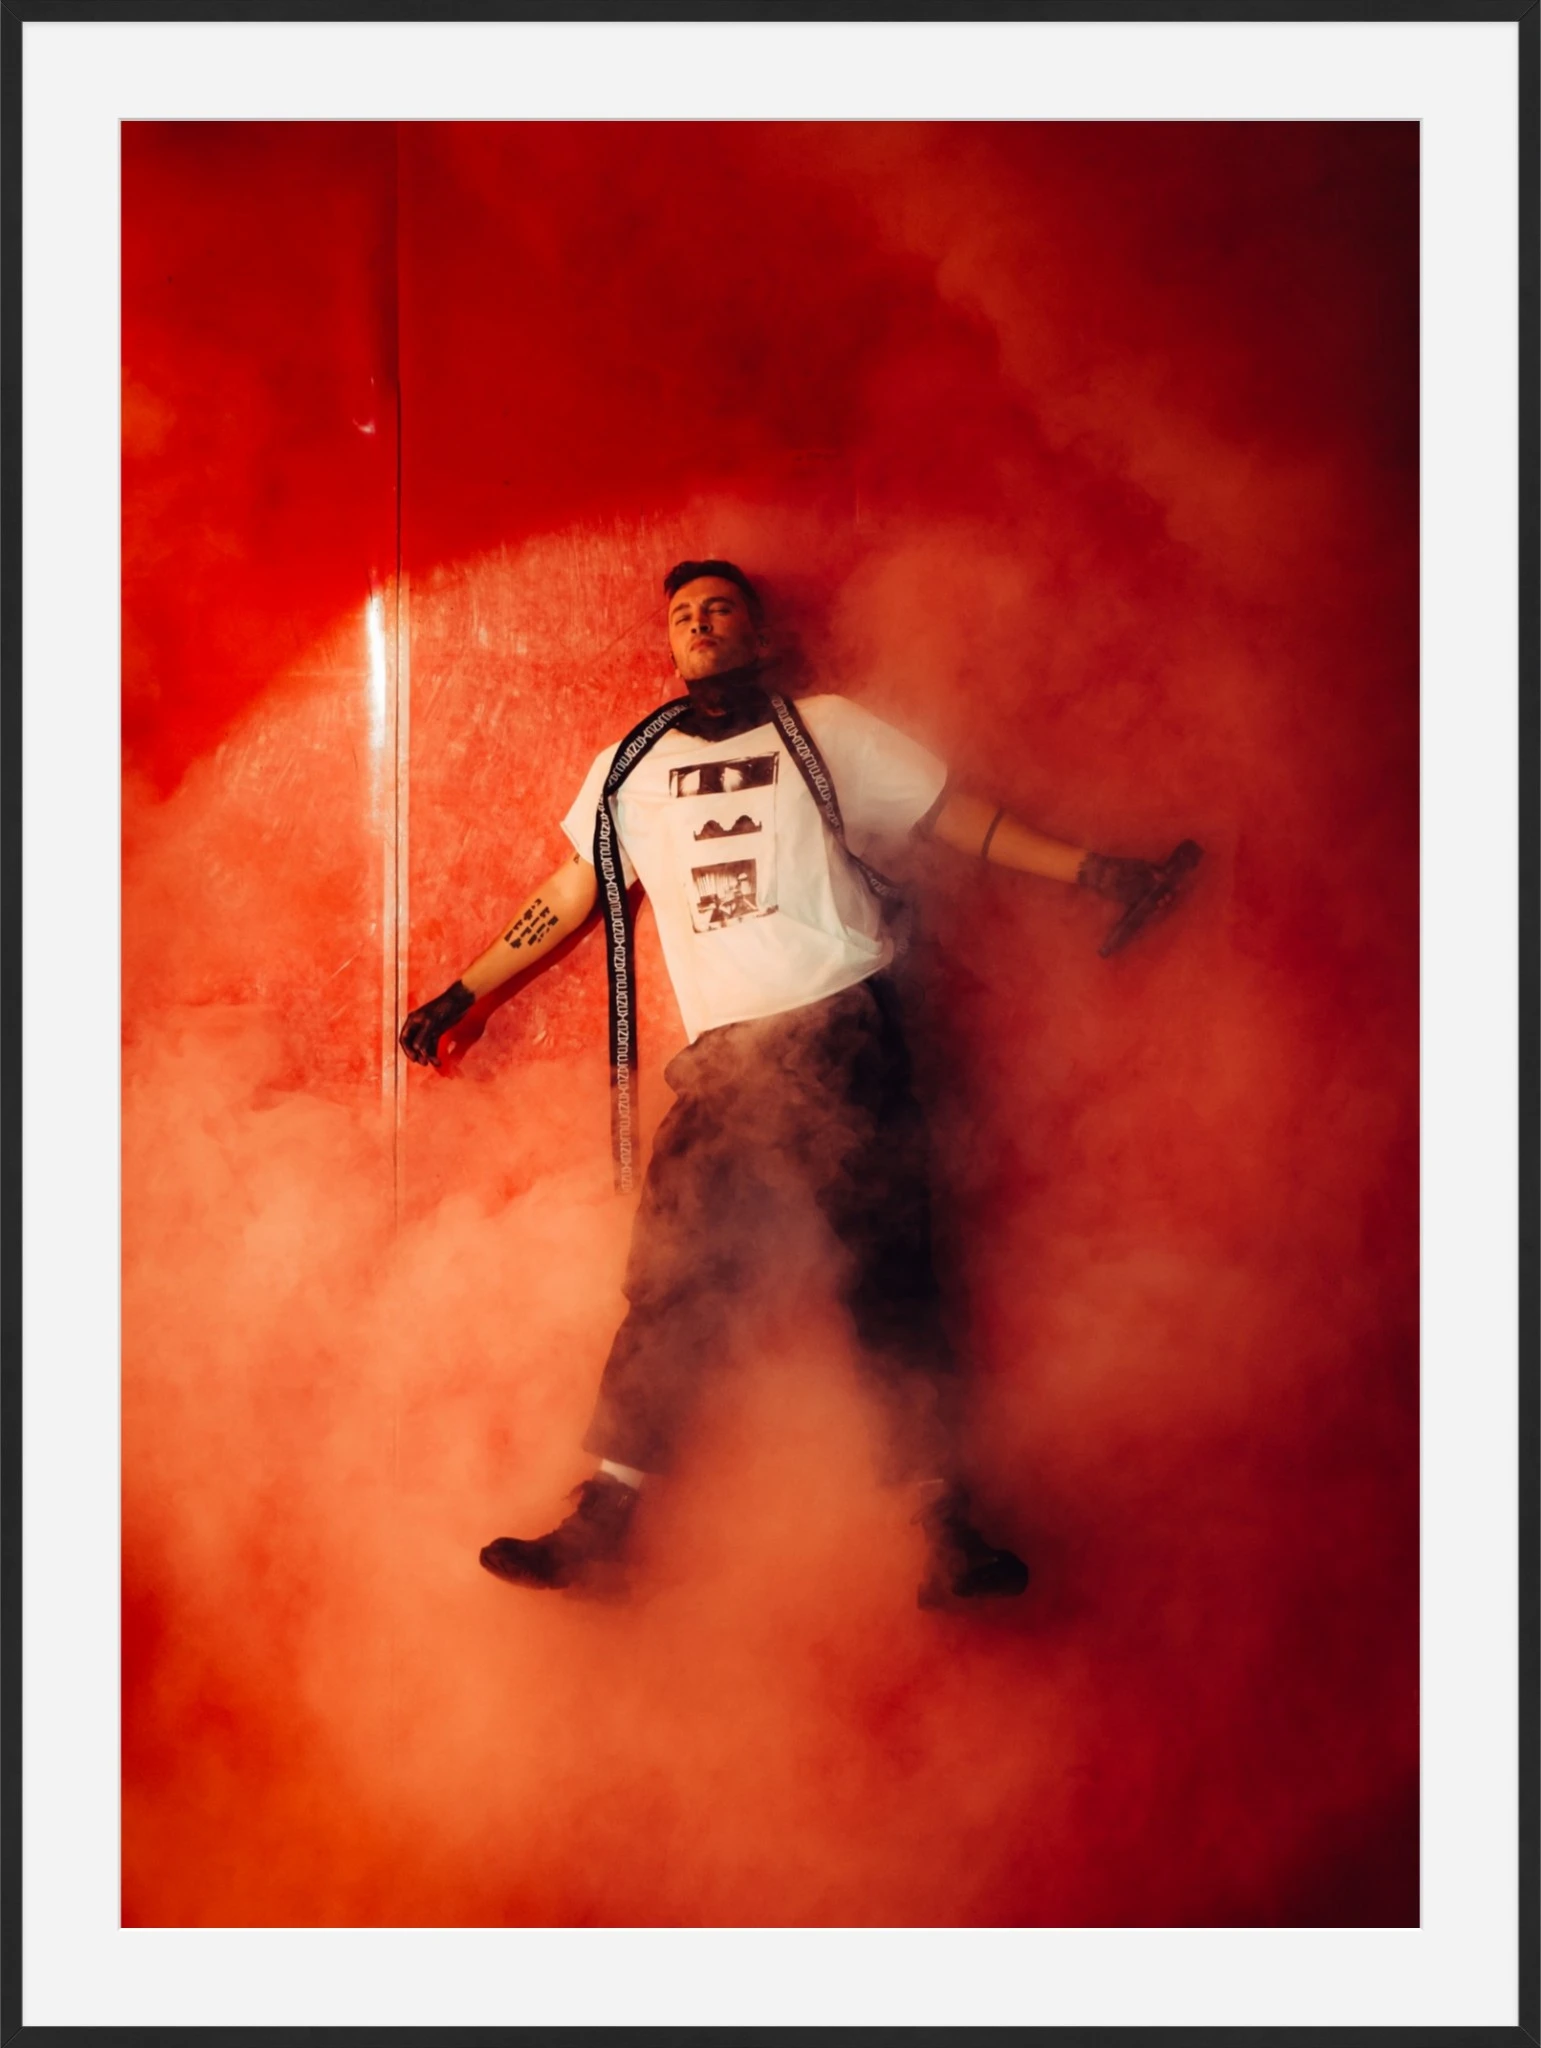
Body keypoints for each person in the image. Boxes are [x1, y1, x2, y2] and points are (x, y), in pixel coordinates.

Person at [400, 560, 1169, 1607]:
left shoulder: (828, 731)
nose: (699, 622)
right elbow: (573, 889)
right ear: (669, 644)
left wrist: (1092, 870)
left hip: (844, 1028)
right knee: (670, 1281)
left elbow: (959, 819)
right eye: (682, 613)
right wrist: (467, 990)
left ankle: (945, 1527)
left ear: (757, 635)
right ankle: (605, 1524)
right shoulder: (630, 766)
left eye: (719, 607)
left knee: (890, 1274)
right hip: (722, 1060)